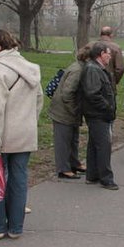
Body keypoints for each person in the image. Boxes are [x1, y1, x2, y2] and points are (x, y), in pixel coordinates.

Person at [0, 30, 43, 239]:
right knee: (19, 179)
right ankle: (16, 227)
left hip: (2, 135)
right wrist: (28, 122)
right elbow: (39, 100)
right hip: (25, 133)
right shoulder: (29, 67)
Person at [48, 44, 90, 179]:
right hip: (63, 111)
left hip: (70, 110)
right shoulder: (78, 70)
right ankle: (63, 169)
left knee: (73, 139)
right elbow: (67, 93)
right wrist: (73, 110)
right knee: (63, 141)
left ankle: (74, 163)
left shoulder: (80, 67)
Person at [81, 42, 118, 190]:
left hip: (98, 113)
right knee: (104, 146)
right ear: (101, 54)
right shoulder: (92, 69)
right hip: (98, 114)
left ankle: (92, 175)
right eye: (108, 53)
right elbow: (93, 94)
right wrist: (108, 107)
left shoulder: (97, 69)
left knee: (95, 145)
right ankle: (106, 178)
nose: (110, 56)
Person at [98, 26, 124, 91]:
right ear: (111, 35)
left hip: (93, 80)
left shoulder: (92, 45)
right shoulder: (116, 48)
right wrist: (114, 80)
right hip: (109, 81)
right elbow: (120, 68)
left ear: (100, 34)